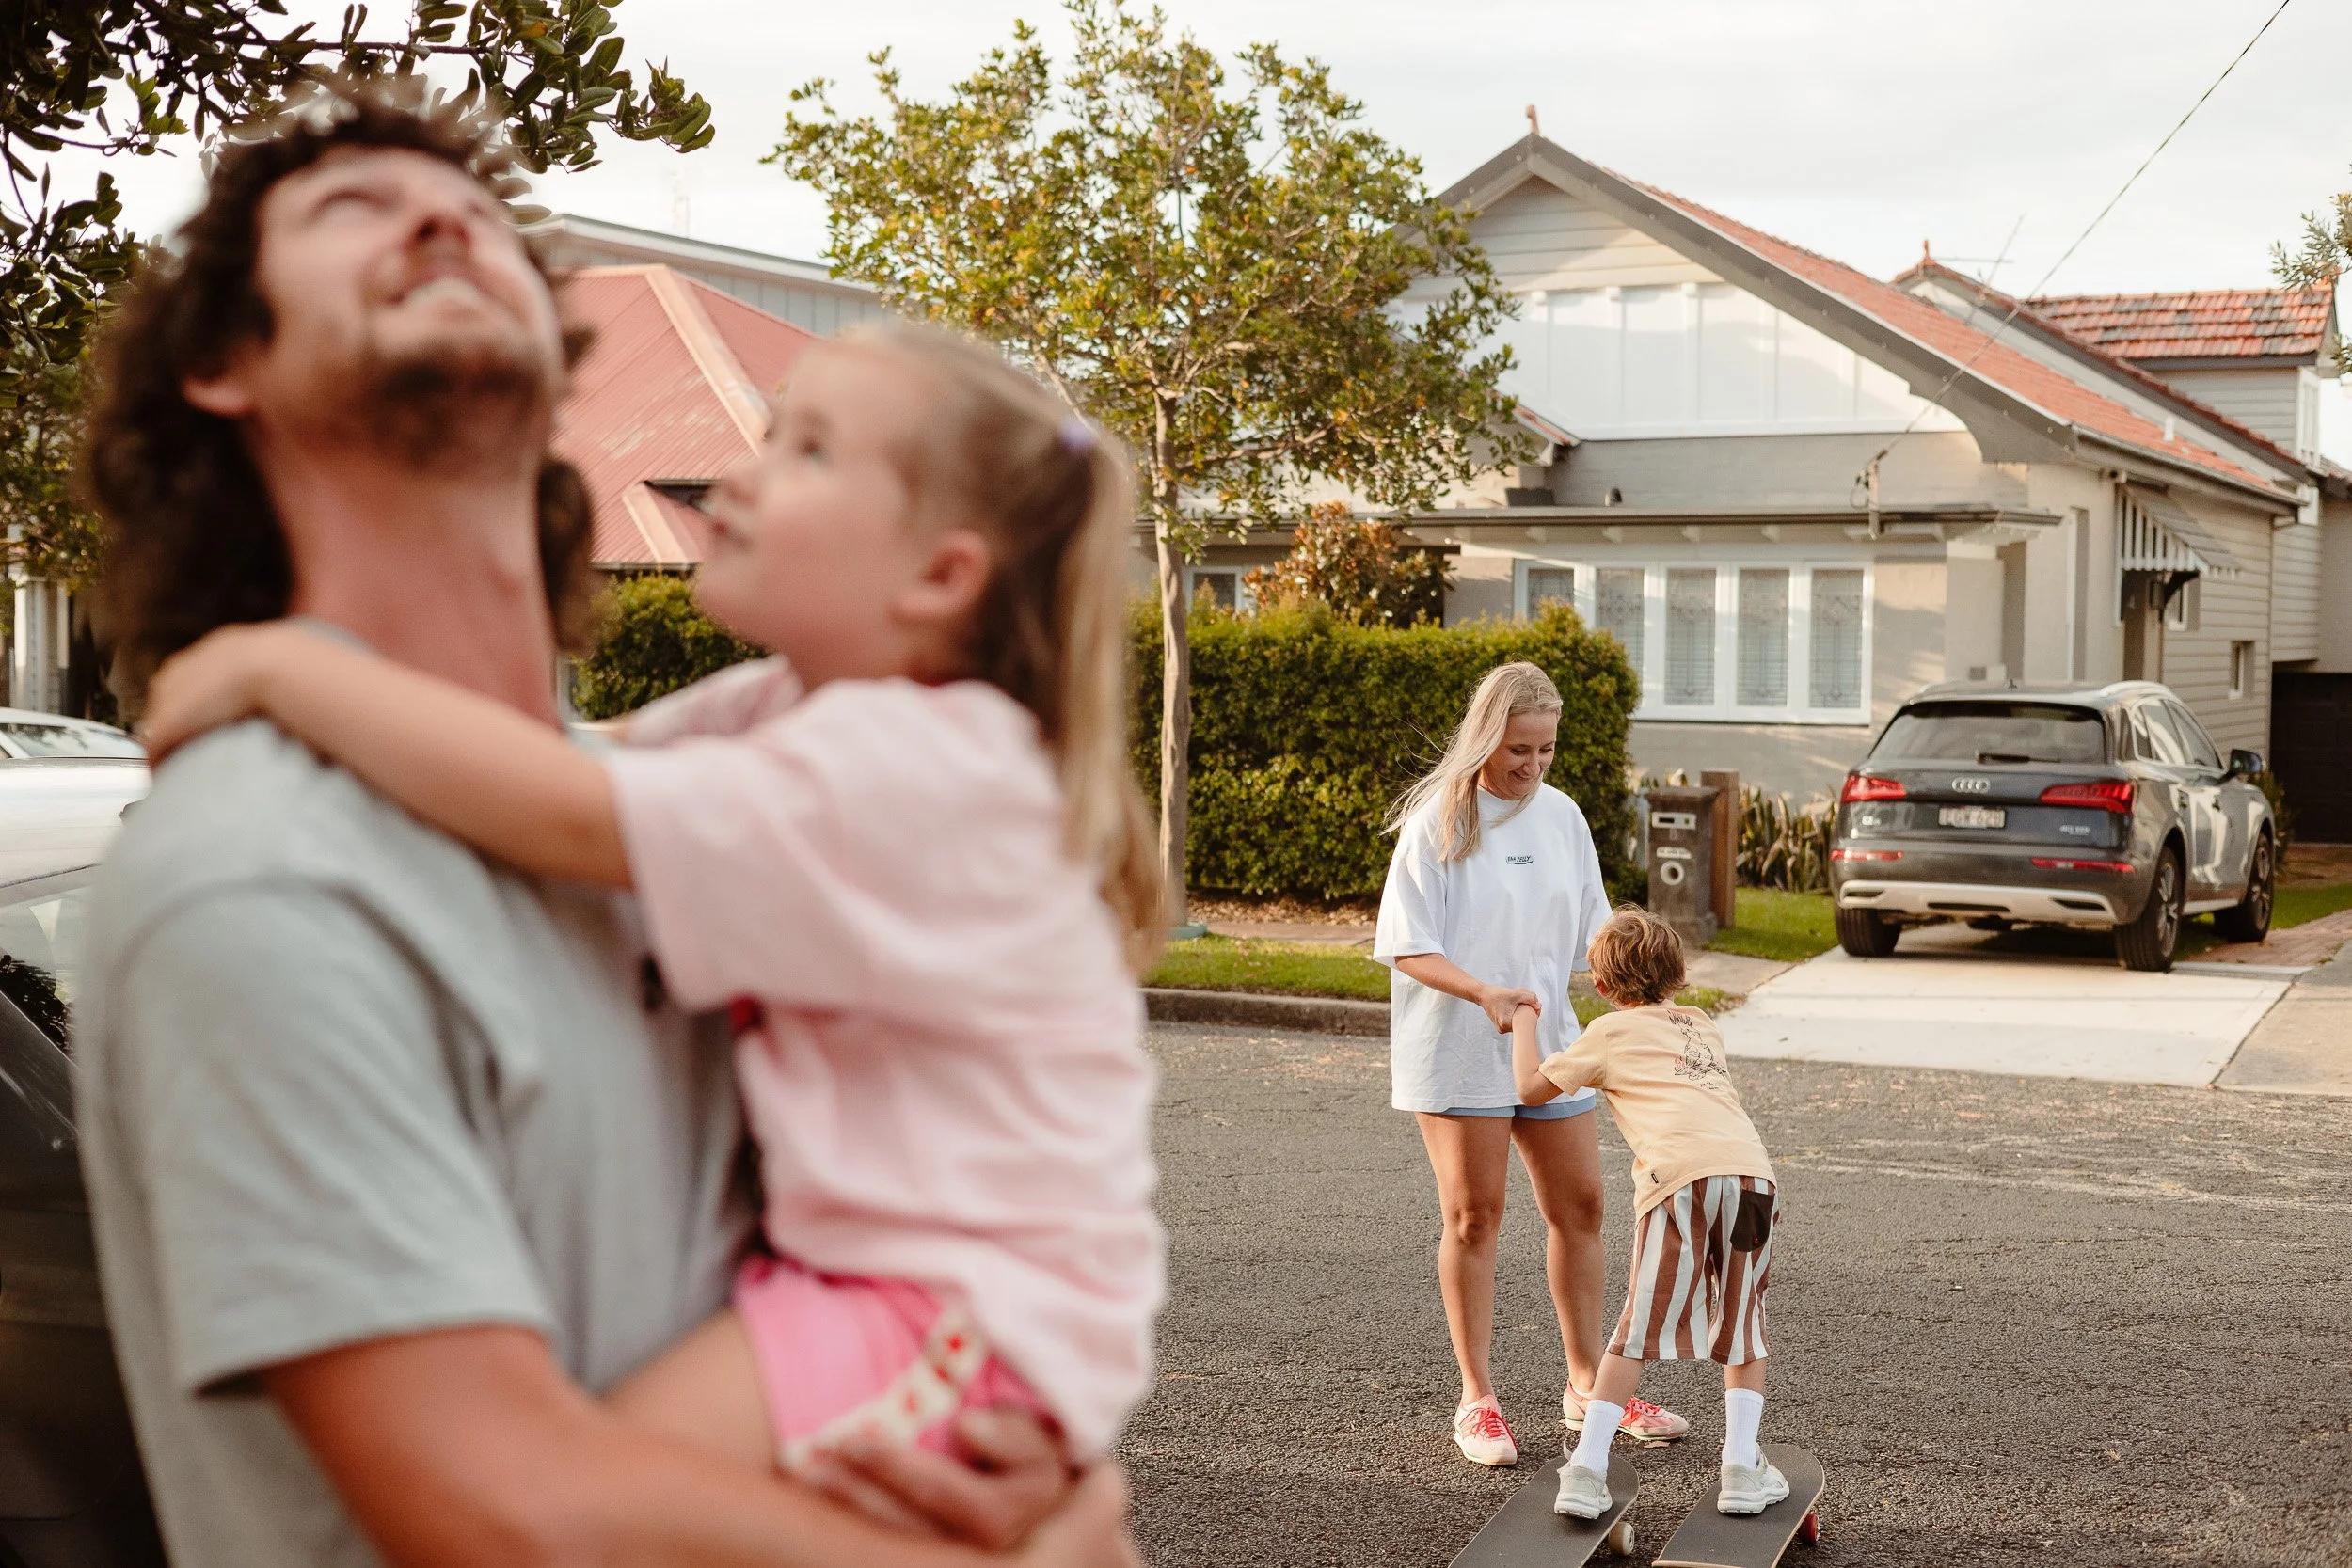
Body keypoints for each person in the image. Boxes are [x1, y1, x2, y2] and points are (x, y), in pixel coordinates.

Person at [74, 80, 1132, 1568]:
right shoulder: (261, 868)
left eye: (478, 214)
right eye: (353, 207)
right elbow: (503, 1509)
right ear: (223, 363)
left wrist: (1067, 1503)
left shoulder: (681, 815)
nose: (439, 218)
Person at [1372, 662, 1686, 1467]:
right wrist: (1484, 992)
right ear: (1486, 738)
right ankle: (1476, 1399)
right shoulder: (1438, 822)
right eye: (1519, 749)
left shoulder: (1562, 815)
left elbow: (1594, 937)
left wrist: (1646, 985)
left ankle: (1587, 1386)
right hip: (1458, 1045)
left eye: (1546, 749)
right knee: (1474, 1216)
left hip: (1550, 1043)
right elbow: (1406, 946)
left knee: (1582, 1205)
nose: (1534, 765)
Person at [1510, 907, 1786, 1520]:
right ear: (1679, 973)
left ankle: (1586, 1470)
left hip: (1679, 1181)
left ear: (1602, 985)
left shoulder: (1608, 1031)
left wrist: (1524, 1018)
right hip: (1752, 1178)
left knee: (1636, 1330)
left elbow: (1529, 1088)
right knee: (1743, 1321)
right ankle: (1741, 1467)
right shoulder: (1703, 1025)